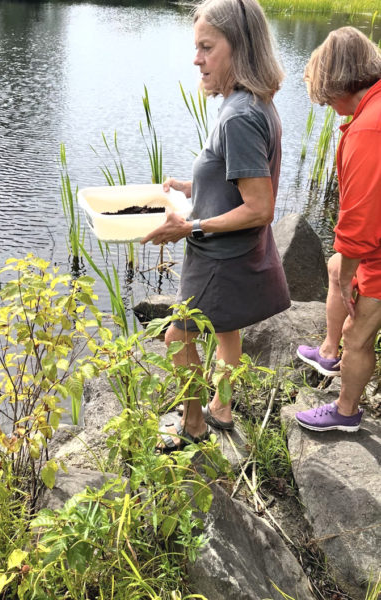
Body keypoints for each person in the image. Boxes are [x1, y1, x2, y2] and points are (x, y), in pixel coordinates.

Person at [141, 0, 290, 451]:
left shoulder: (241, 116)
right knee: (226, 332)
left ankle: (193, 424)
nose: (196, 59)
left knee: (174, 337)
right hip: (233, 252)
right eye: (196, 47)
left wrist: (190, 228)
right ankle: (221, 409)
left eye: (207, 47)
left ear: (238, 47)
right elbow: (241, 176)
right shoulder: (250, 102)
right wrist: (191, 186)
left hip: (219, 259)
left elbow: (260, 207)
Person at [295, 26, 381, 433]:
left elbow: (361, 215)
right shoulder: (372, 109)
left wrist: (350, 274)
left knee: (357, 333)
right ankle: (329, 352)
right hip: (374, 243)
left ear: (337, 80)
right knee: (334, 268)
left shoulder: (369, 128)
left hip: (378, 252)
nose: (325, 103)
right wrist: (342, 266)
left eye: (325, 93)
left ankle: (345, 413)